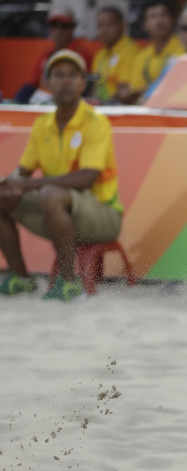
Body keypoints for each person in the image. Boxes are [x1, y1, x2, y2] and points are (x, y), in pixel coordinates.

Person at [0, 50, 123, 302]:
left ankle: (69, 283)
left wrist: (28, 184)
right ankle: (21, 278)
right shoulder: (42, 124)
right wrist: (8, 185)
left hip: (103, 215)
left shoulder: (96, 122)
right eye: (58, 75)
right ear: (47, 83)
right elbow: (22, 172)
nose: (66, 81)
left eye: (73, 75)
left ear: (83, 82)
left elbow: (87, 178)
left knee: (50, 194)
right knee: (2, 196)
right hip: (59, 210)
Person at [15, 10, 95, 105]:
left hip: (71, 103)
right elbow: (31, 85)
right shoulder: (46, 55)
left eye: (64, 26)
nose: (58, 31)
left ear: (72, 28)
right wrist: (15, 103)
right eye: (54, 26)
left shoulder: (80, 53)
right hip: (45, 103)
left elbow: (86, 86)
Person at [125, 0, 184, 103]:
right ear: (144, 25)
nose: (159, 21)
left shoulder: (185, 51)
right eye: (153, 16)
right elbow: (134, 91)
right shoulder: (140, 57)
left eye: (164, 15)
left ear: (173, 19)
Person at [91, 6, 139, 104]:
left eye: (109, 25)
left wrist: (103, 103)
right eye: (100, 25)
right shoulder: (100, 55)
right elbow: (95, 87)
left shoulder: (130, 51)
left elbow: (125, 91)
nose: (104, 30)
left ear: (123, 26)